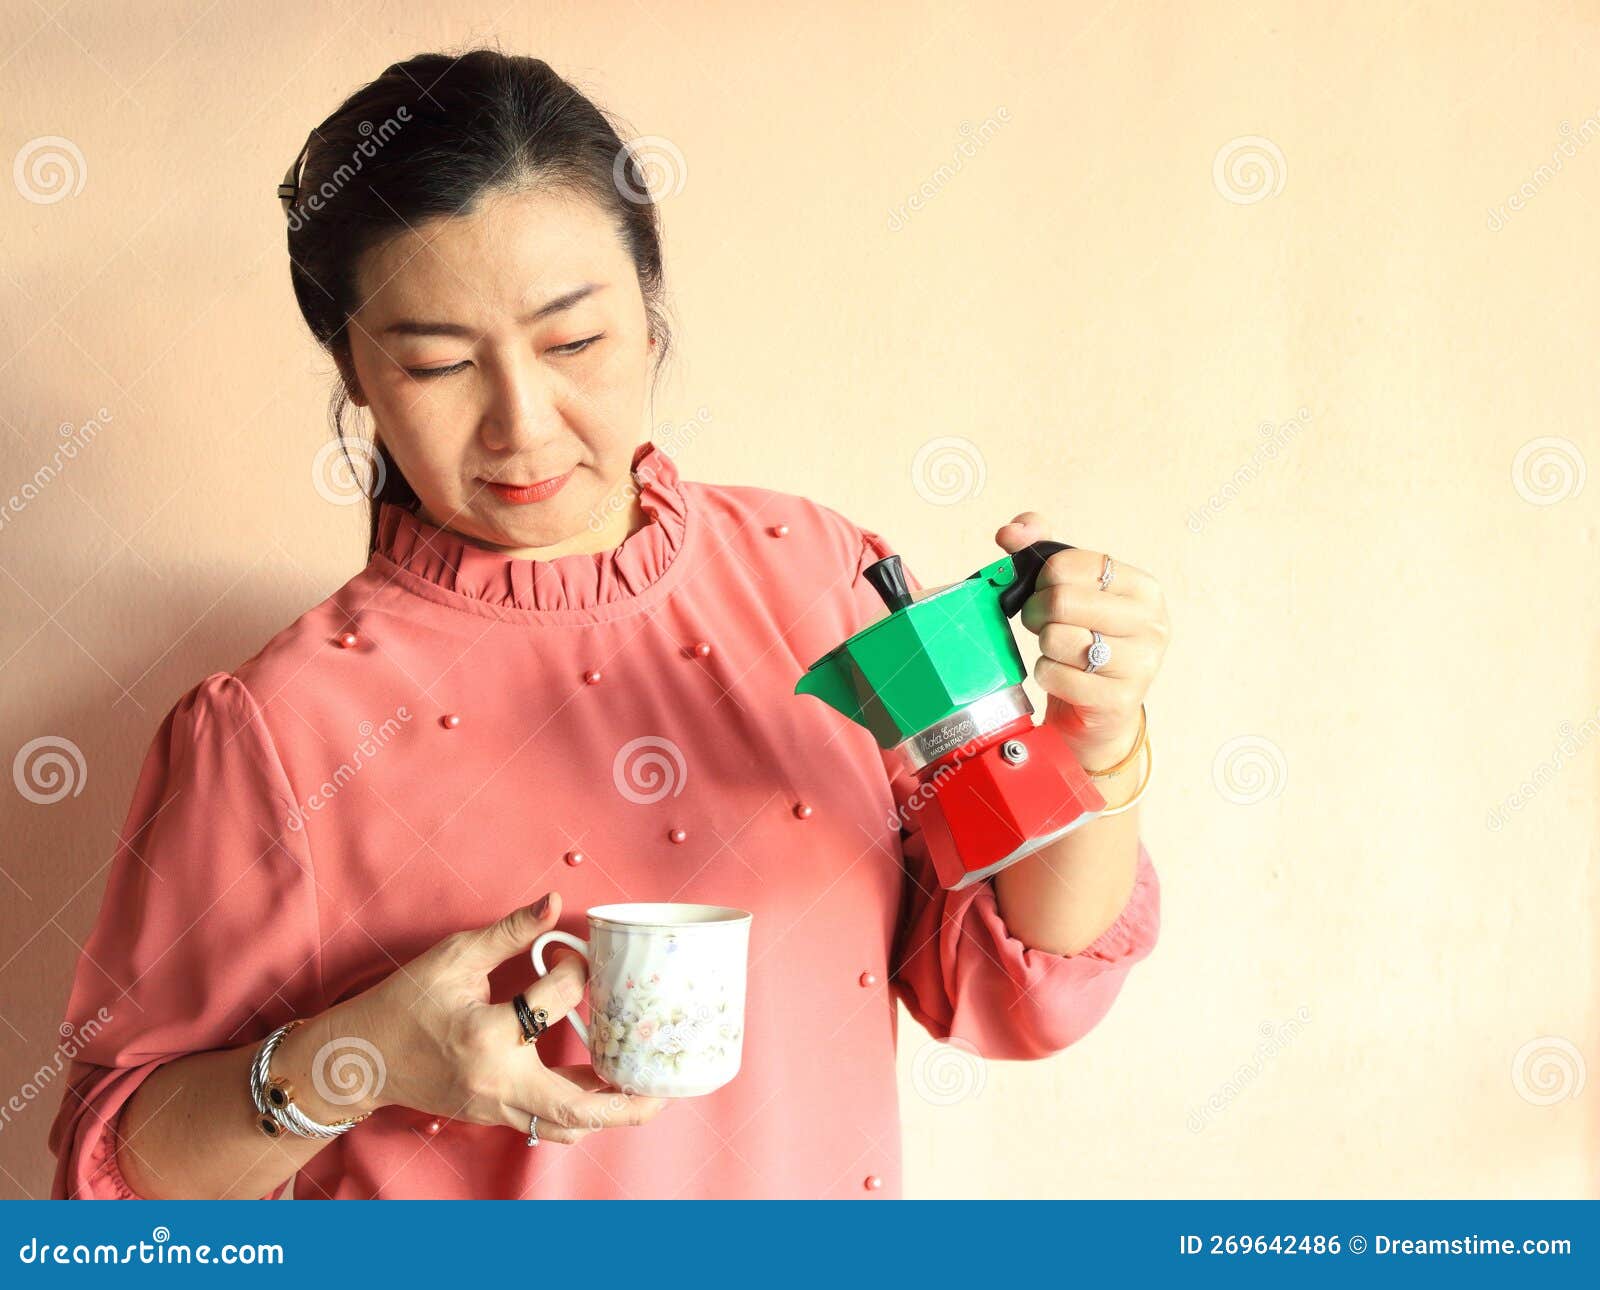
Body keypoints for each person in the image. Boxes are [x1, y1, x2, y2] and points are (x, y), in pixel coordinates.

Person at [48, 48, 1167, 1200]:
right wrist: (362, 1060)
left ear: (648, 313)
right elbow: (119, 1181)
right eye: (437, 364)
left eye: (573, 342)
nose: (521, 425)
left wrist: (1094, 732)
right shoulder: (277, 724)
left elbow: (1014, 984)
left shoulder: (822, 579)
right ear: (358, 374)